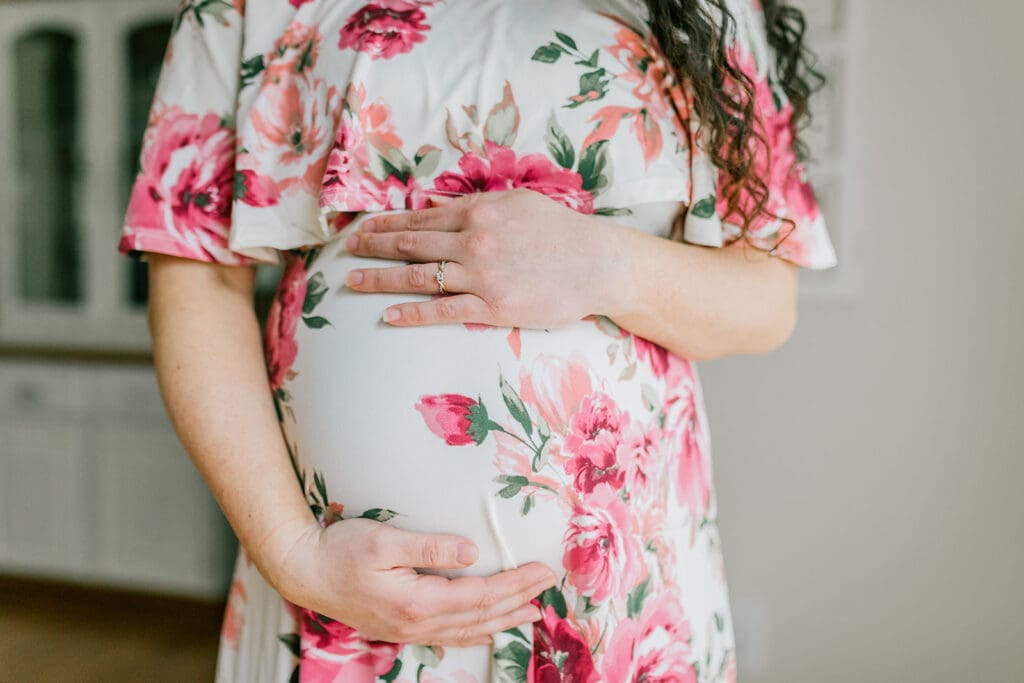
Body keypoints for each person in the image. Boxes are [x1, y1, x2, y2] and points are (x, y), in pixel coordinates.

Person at [118, 0, 837, 680]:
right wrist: (296, 555)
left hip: (615, 606)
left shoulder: (708, 10)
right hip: (336, 601)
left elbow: (766, 299)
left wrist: (604, 265)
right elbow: (193, 274)